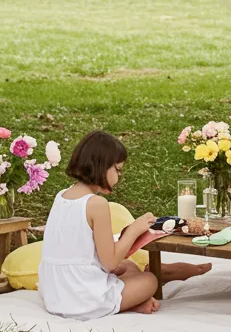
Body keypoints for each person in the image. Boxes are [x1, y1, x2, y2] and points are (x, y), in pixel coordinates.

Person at [39, 129, 211, 316]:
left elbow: (79, 250)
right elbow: (111, 262)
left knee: (128, 266)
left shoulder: (61, 196)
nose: (119, 177)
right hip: (82, 300)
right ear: (102, 166)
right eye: (118, 170)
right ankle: (134, 299)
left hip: (55, 294)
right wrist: (134, 230)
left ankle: (135, 298)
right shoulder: (96, 204)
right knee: (149, 280)